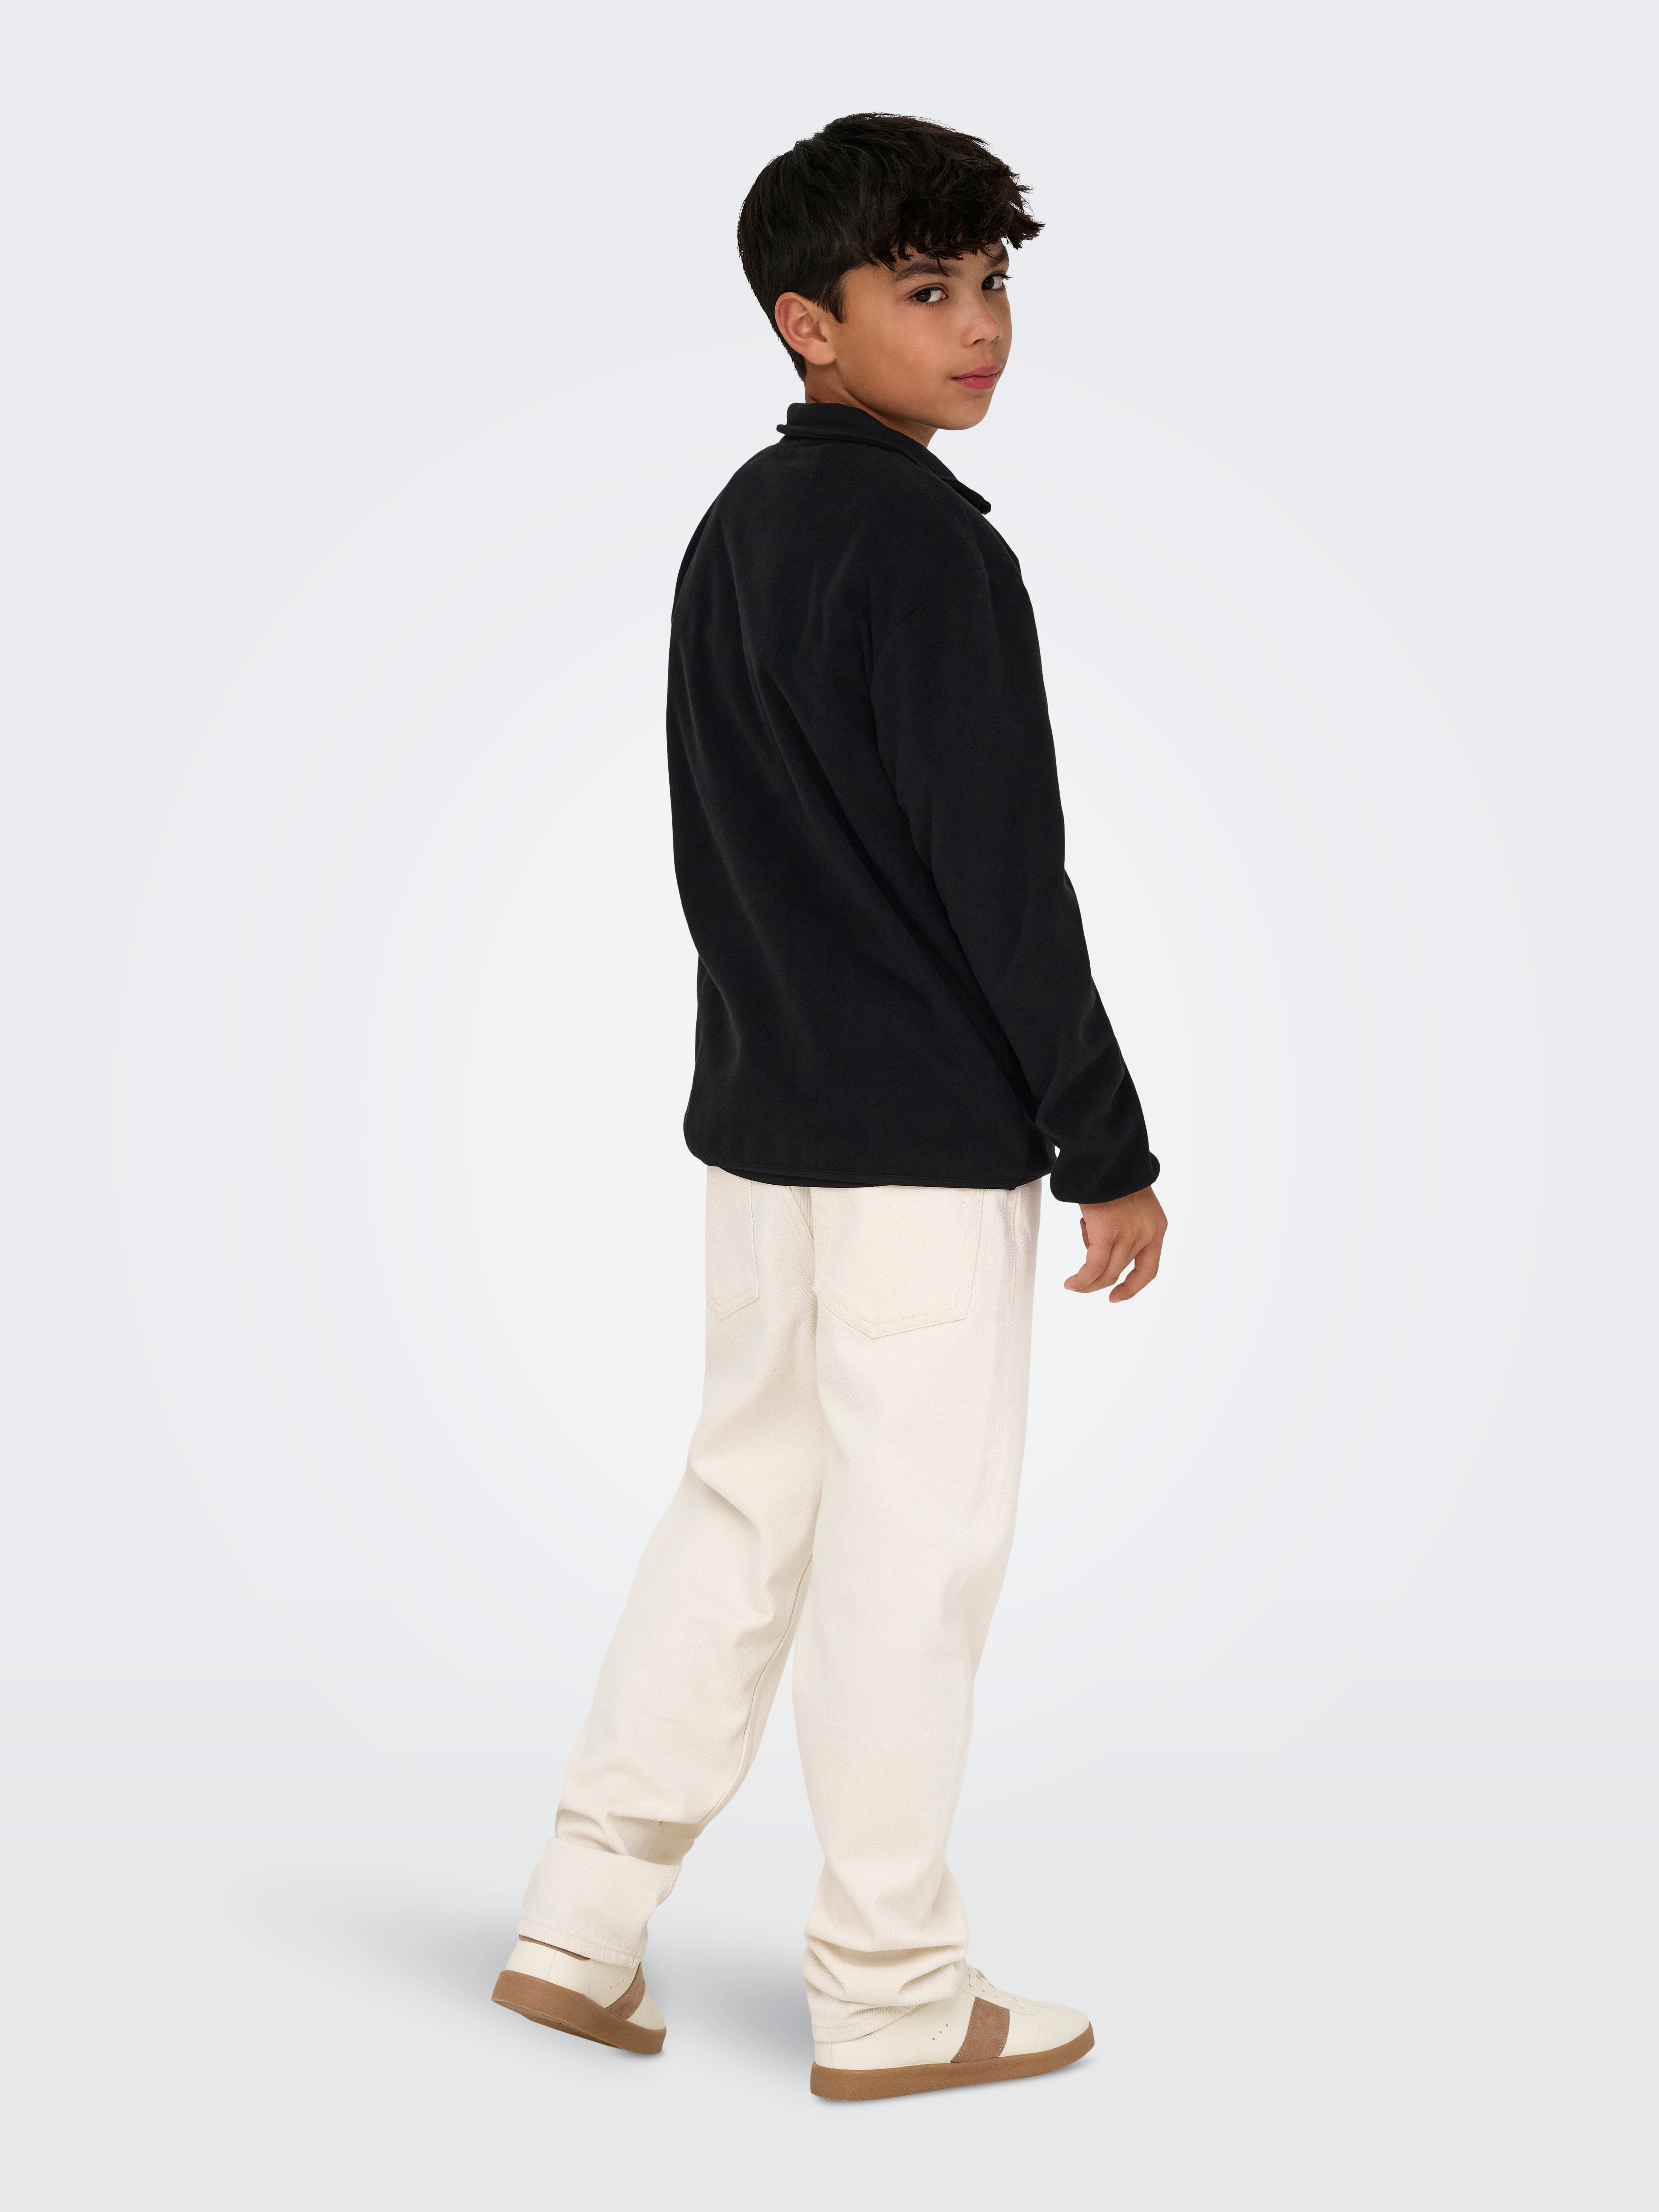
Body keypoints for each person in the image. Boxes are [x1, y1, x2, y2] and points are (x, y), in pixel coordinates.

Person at [492, 111, 1167, 2101]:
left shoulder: (741, 528)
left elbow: (724, 846)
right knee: (907, 1561)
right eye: (926, 289)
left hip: (761, 1127)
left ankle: (579, 1920)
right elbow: (1001, 877)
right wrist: (1107, 1144)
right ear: (808, 322)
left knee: (742, 1508)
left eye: (994, 282)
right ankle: (889, 1991)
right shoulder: (932, 552)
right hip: (916, 1152)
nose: (981, 326)